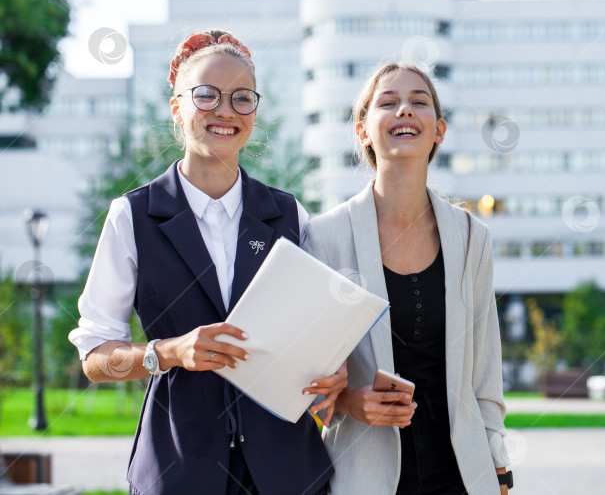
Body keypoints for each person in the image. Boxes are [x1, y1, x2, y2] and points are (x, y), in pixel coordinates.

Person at [68, 29, 343, 495]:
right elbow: (95, 358)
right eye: (206, 95)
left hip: (288, 472)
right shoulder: (132, 215)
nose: (224, 111)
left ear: (255, 112)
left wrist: (331, 374)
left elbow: (316, 331)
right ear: (177, 108)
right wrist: (169, 352)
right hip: (180, 469)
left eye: (242, 98)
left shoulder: (289, 213)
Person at [303, 63, 512, 494]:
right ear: (363, 131)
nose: (404, 110)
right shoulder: (323, 238)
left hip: (462, 474)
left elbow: (486, 375)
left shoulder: (473, 237)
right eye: (388, 102)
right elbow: (303, 377)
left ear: (439, 130)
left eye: (419, 102)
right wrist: (349, 402)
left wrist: (500, 469)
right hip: (362, 472)